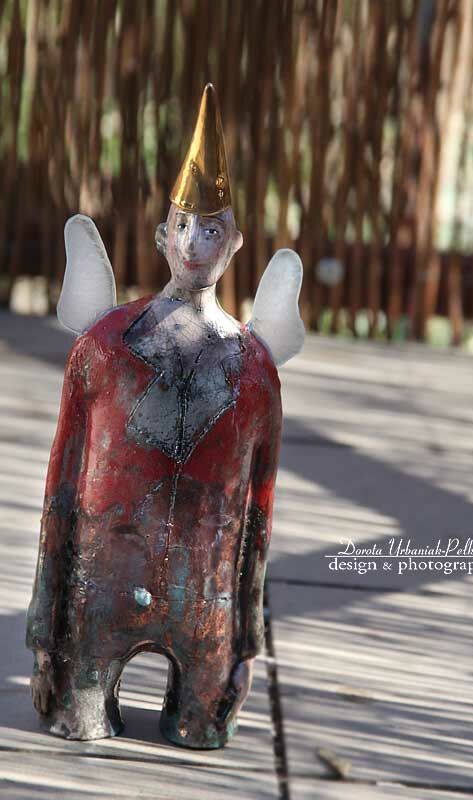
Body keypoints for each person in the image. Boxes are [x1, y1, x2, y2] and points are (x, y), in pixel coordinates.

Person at [26, 84, 282, 749]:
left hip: (206, 603)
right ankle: (84, 695)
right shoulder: (103, 348)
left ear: (235, 244)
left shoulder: (254, 370)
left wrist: (245, 643)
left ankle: (198, 703)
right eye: (184, 226)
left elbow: (257, 512)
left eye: (212, 230)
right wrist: (45, 627)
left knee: (200, 727)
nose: (195, 242)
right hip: (99, 589)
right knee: (81, 717)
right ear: (163, 235)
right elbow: (62, 490)